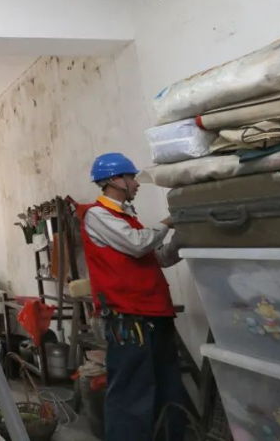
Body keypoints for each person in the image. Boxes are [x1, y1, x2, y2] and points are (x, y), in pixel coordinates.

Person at [81, 153, 185, 441]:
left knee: (167, 389)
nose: (137, 184)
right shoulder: (97, 215)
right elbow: (138, 245)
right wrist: (168, 222)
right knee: (131, 395)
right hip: (129, 318)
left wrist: (185, 234)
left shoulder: (128, 220)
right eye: (132, 178)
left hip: (156, 314)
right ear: (116, 180)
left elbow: (159, 258)